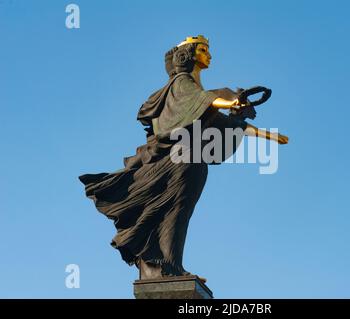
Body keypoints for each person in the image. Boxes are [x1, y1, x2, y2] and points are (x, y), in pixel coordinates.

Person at [79, 35, 289, 280]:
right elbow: (207, 101)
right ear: (187, 55)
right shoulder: (182, 83)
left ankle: (170, 266)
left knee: (178, 213)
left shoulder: (199, 96)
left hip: (192, 164)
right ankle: (164, 265)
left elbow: (222, 119)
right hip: (180, 161)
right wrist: (231, 100)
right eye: (203, 50)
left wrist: (267, 135)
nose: (209, 55)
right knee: (172, 212)